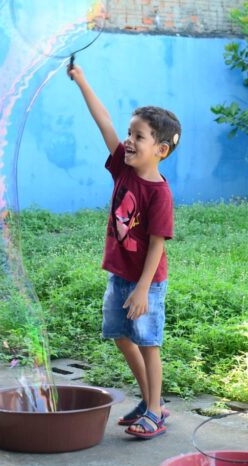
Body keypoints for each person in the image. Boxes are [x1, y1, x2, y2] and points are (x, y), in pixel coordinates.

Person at [68, 63, 181, 439]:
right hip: (120, 277)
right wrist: (84, 81)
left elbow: (157, 244)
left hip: (146, 283)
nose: (129, 141)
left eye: (140, 136)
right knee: (120, 335)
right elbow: (104, 124)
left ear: (161, 150)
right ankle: (149, 399)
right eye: (130, 133)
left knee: (148, 343)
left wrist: (144, 289)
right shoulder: (124, 170)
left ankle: (155, 409)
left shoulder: (159, 193)